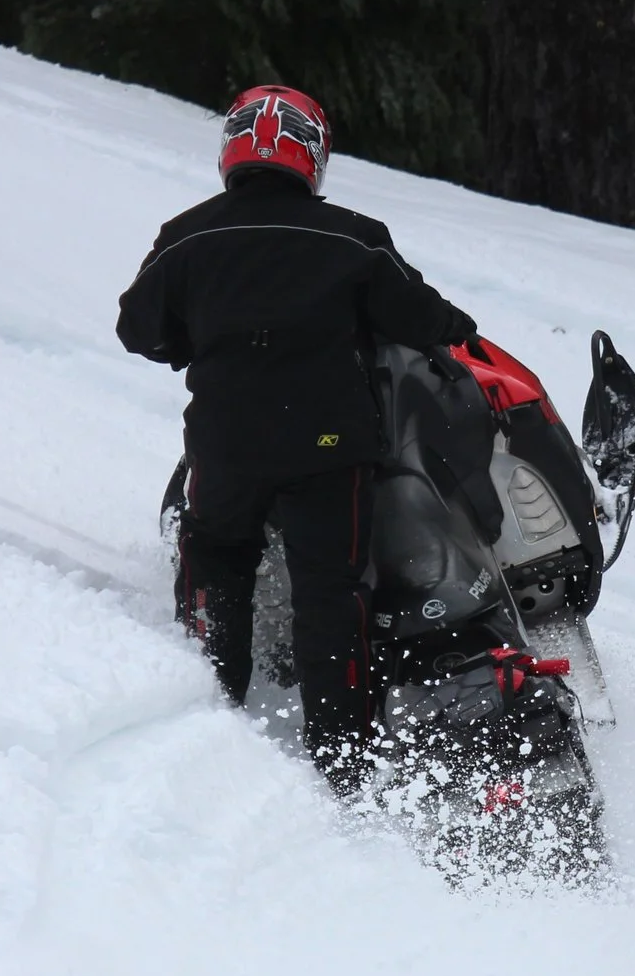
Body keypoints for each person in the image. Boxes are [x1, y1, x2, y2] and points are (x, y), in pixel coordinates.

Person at [117, 85, 478, 788]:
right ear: (313, 154)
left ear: (232, 147)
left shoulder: (186, 235)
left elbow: (138, 328)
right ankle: (342, 758)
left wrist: (193, 339)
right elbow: (418, 316)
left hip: (226, 441)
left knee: (216, 560)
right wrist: (457, 327)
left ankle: (208, 709)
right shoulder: (353, 235)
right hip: (329, 448)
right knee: (333, 593)